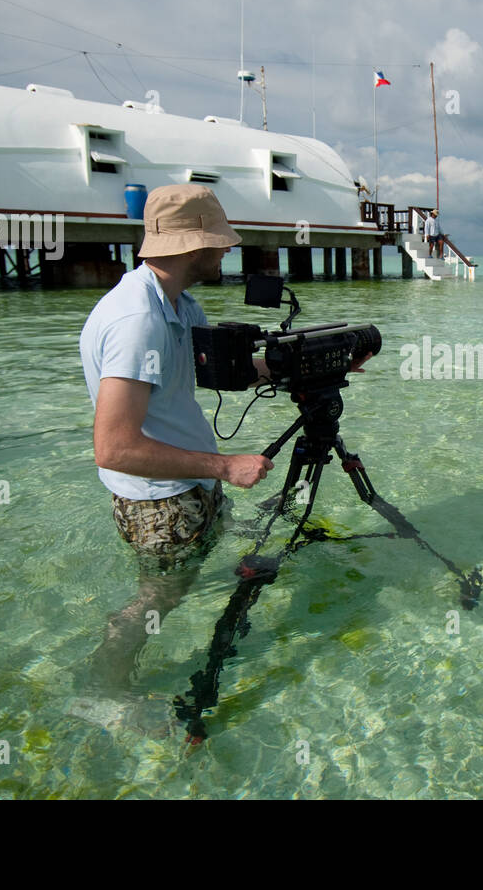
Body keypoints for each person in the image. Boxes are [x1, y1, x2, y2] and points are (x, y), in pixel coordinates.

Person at [73, 184, 371, 730]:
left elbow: (219, 377)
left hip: (190, 486)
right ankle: (101, 692)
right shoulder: (136, 322)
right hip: (161, 499)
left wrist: (308, 366)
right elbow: (114, 446)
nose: (227, 251)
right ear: (193, 248)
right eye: (219, 243)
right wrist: (224, 466)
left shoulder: (177, 304)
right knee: (156, 600)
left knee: (180, 582)